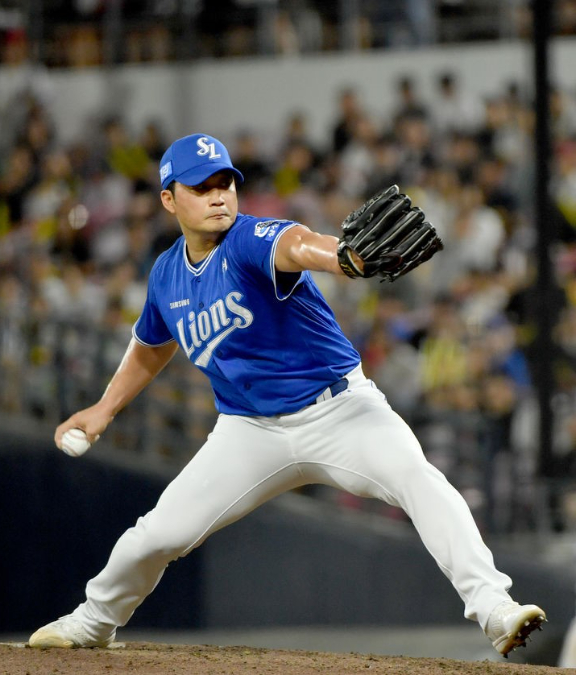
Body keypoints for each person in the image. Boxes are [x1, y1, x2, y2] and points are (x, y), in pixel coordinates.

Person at [29, 132, 546, 657]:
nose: (218, 196)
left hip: (341, 410)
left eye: (225, 183)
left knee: (419, 479)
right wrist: (104, 408)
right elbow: (150, 345)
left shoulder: (251, 239)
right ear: (169, 199)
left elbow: (298, 245)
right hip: (248, 432)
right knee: (155, 535)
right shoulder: (165, 274)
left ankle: (495, 609)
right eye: (200, 187)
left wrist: (344, 257)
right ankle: (94, 621)